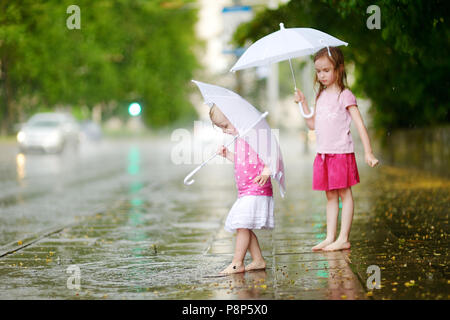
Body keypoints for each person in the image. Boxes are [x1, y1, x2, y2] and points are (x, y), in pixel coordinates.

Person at [294, 46, 379, 252]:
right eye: (318, 71)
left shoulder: (345, 95)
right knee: (330, 196)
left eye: (326, 70)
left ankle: (343, 238)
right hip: (324, 154)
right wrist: (304, 104)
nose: (321, 75)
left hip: (341, 153)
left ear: (338, 69)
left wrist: (368, 152)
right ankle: (330, 236)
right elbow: (313, 125)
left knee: (344, 193)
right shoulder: (320, 96)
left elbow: (359, 124)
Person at [209, 105, 274, 274]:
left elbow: (270, 154)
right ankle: (258, 259)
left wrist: (267, 171)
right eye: (221, 128)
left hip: (257, 186)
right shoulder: (240, 137)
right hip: (245, 189)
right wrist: (227, 155)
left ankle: (237, 263)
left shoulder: (254, 134)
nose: (224, 131)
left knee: (242, 223)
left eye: (225, 126)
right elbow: (242, 160)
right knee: (242, 225)